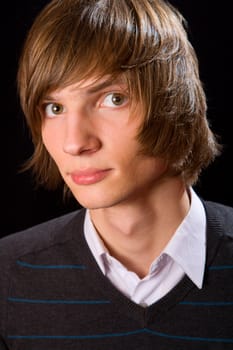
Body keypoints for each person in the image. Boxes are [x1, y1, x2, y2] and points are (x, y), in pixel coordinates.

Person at [0, 0, 233, 348]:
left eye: (113, 99)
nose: (75, 142)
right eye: (55, 108)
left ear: (175, 101)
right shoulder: (7, 276)